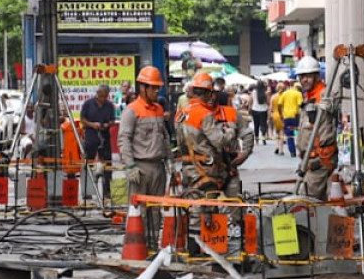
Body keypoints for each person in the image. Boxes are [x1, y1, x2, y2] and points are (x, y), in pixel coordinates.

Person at [120, 66, 172, 238]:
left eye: (158, 87)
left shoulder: (158, 109)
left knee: (155, 210)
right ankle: (136, 246)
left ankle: (152, 246)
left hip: (158, 167)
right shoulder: (131, 111)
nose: (157, 91)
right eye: (154, 87)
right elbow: (124, 139)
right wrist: (130, 166)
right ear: (143, 87)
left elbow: (162, 135)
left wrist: (169, 158)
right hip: (140, 168)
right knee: (139, 210)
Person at [176, 70, 245, 198]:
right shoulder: (205, 114)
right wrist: (229, 132)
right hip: (205, 171)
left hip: (188, 169)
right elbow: (219, 141)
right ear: (208, 92)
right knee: (207, 212)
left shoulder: (180, 113)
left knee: (194, 211)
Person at [293, 56, 340, 200]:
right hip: (309, 160)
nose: (304, 80)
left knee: (306, 203)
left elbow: (334, 103)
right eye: (301, 76)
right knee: (315, 203)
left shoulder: (325, 94)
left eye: (307, 76)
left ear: (316, 76)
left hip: (320, 159)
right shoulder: (308, 96)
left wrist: (330, 105)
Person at [78, 83, 118, 202]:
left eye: (104, 96)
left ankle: (107, 192)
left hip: (104, 136)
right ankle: (87, 191)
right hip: (91, 136)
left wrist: (107, 125)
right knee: (88, 163)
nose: (101, 98)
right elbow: (82, 119)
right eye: (100, 95)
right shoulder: (88, 104)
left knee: (106, 164)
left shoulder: (109, 106)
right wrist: (93, 124)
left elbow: (112, 120)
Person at [274, 77, 304, 157]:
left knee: (289, 135)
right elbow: (300, 105)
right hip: (296, 116)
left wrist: (281, 114)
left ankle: (292, 151)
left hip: (286, 116)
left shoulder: (285, 93)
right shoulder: (298, 94)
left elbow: (279, 105)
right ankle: (301, 149)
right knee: (299, 133)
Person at [250, 78, 270, 143]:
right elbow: (267, 102)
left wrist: (250, 108)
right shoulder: (265, 93)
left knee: (256, 125)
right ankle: (263, 138)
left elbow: (251, 101)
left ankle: (257, 139)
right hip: (263, 110)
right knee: (263, 124)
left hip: (255, 109)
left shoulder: (253, 92)